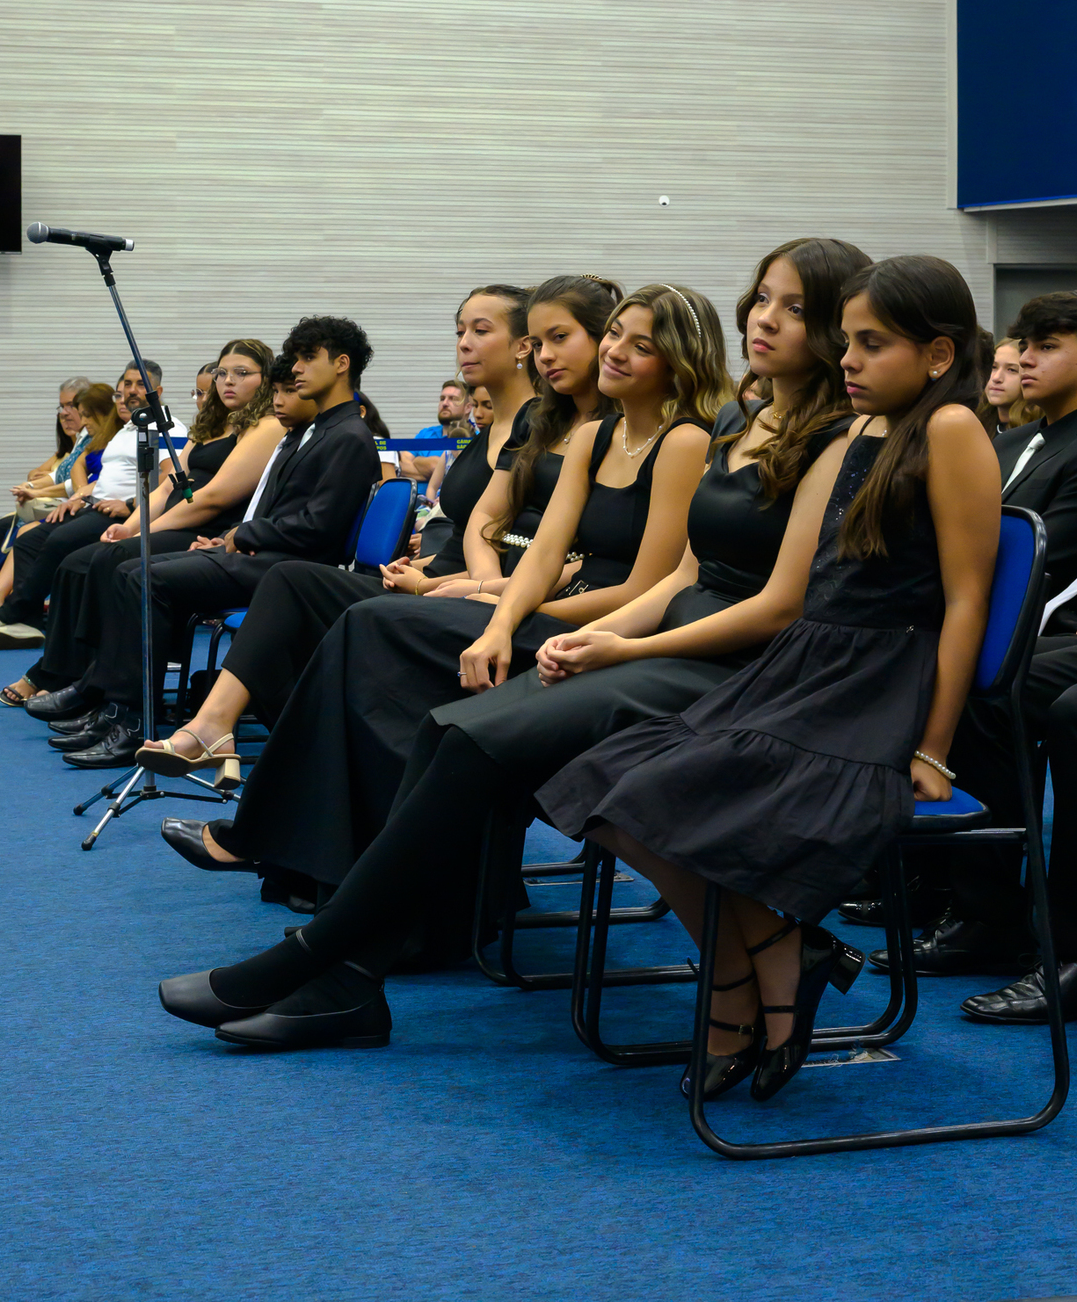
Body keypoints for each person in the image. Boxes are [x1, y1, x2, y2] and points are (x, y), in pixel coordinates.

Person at [156, 255, 1000, 1077]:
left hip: (745, 664)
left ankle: (328, 958)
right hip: (686, 638)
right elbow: (685, 575)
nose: (765, 320)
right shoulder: (749, 423)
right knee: (447, 722)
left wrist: (931, 746)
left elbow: (815, 604)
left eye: (798, 310)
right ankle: (344, 962)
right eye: (762, 300)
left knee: (477, 739)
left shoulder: (849, 433)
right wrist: (588, 633)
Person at [156, 281, 722, 905]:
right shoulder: (586, 433)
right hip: (525, 603)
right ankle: (311, 857)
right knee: (350, 622)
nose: (552, 353)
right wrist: (495, 606)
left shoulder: (678, 440)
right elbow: (525, 544)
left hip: (587, 625)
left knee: (370, 630)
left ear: (674, 358)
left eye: (562, 338)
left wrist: (491, 600)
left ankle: (326, 862)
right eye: (611, 334)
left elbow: (637, 584)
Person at [875, 286, 1077, 978]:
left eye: (1049, 347)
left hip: (1052, 620)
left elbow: (1048, 567)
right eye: (1026, 346)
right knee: (934, 667)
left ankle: (993, 914)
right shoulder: (1012, 440)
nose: (1027, 360)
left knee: (995, 689)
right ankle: (947, 889)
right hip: (1008, 615)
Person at [46, 317, 382, 768]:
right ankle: (114, 709)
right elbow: (279, 510)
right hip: (265, 554)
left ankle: (132, 721)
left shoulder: (348, 435)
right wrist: (229, 538)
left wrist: (242, 534)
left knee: (142, 577)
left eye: (308, 358)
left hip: (289, 569)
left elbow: (319, 528)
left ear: (341, 364)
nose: (297, 369)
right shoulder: (314, 430)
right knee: (129, 570)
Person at [0, 342, 280, 718]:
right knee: (76, 562)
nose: (228, 381)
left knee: (113, 559)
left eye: (242, 373)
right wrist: (129, 526)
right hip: (177, 519)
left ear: (265, 379)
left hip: (206, 528)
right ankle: (71, 670)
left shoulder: (265, 426)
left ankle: (92, 683)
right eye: (222, 373)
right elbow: (167, 488)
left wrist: (142, 535)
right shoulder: (211, 424)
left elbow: (211, 498)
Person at [0, 362, 186, 649]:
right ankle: (27, 622)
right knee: (29, 540)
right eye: (127, 384)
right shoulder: (127, 428)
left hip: (122, 513)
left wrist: (131, 505)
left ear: (158, 390)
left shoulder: (167, 426)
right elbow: (106, 477)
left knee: (60, 540)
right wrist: (80, 496)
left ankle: (11, 614)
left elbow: (171, 478)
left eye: (141, 384)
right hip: (94, 505)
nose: (132, 390)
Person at [0, 382, 119, 620]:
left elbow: (100, 481)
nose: (74, 416)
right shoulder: (91, 438)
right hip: (82, 500)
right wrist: (34, 487)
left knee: (29, 533)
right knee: (14, 527)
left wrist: (69, 494)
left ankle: (8, 601)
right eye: (64, 407)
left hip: (99, 506)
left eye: (80, 411)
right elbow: (72, 469)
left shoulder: (116, 439)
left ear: (102, 412)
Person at [399, 380, 472, 482]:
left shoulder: (475, 438)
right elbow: (401, 465)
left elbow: (459, 475)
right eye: (442, 399)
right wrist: (436, 471)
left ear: (468, 408)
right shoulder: (425, 434)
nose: (445, 403)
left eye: (453, 399)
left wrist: (417, 460)